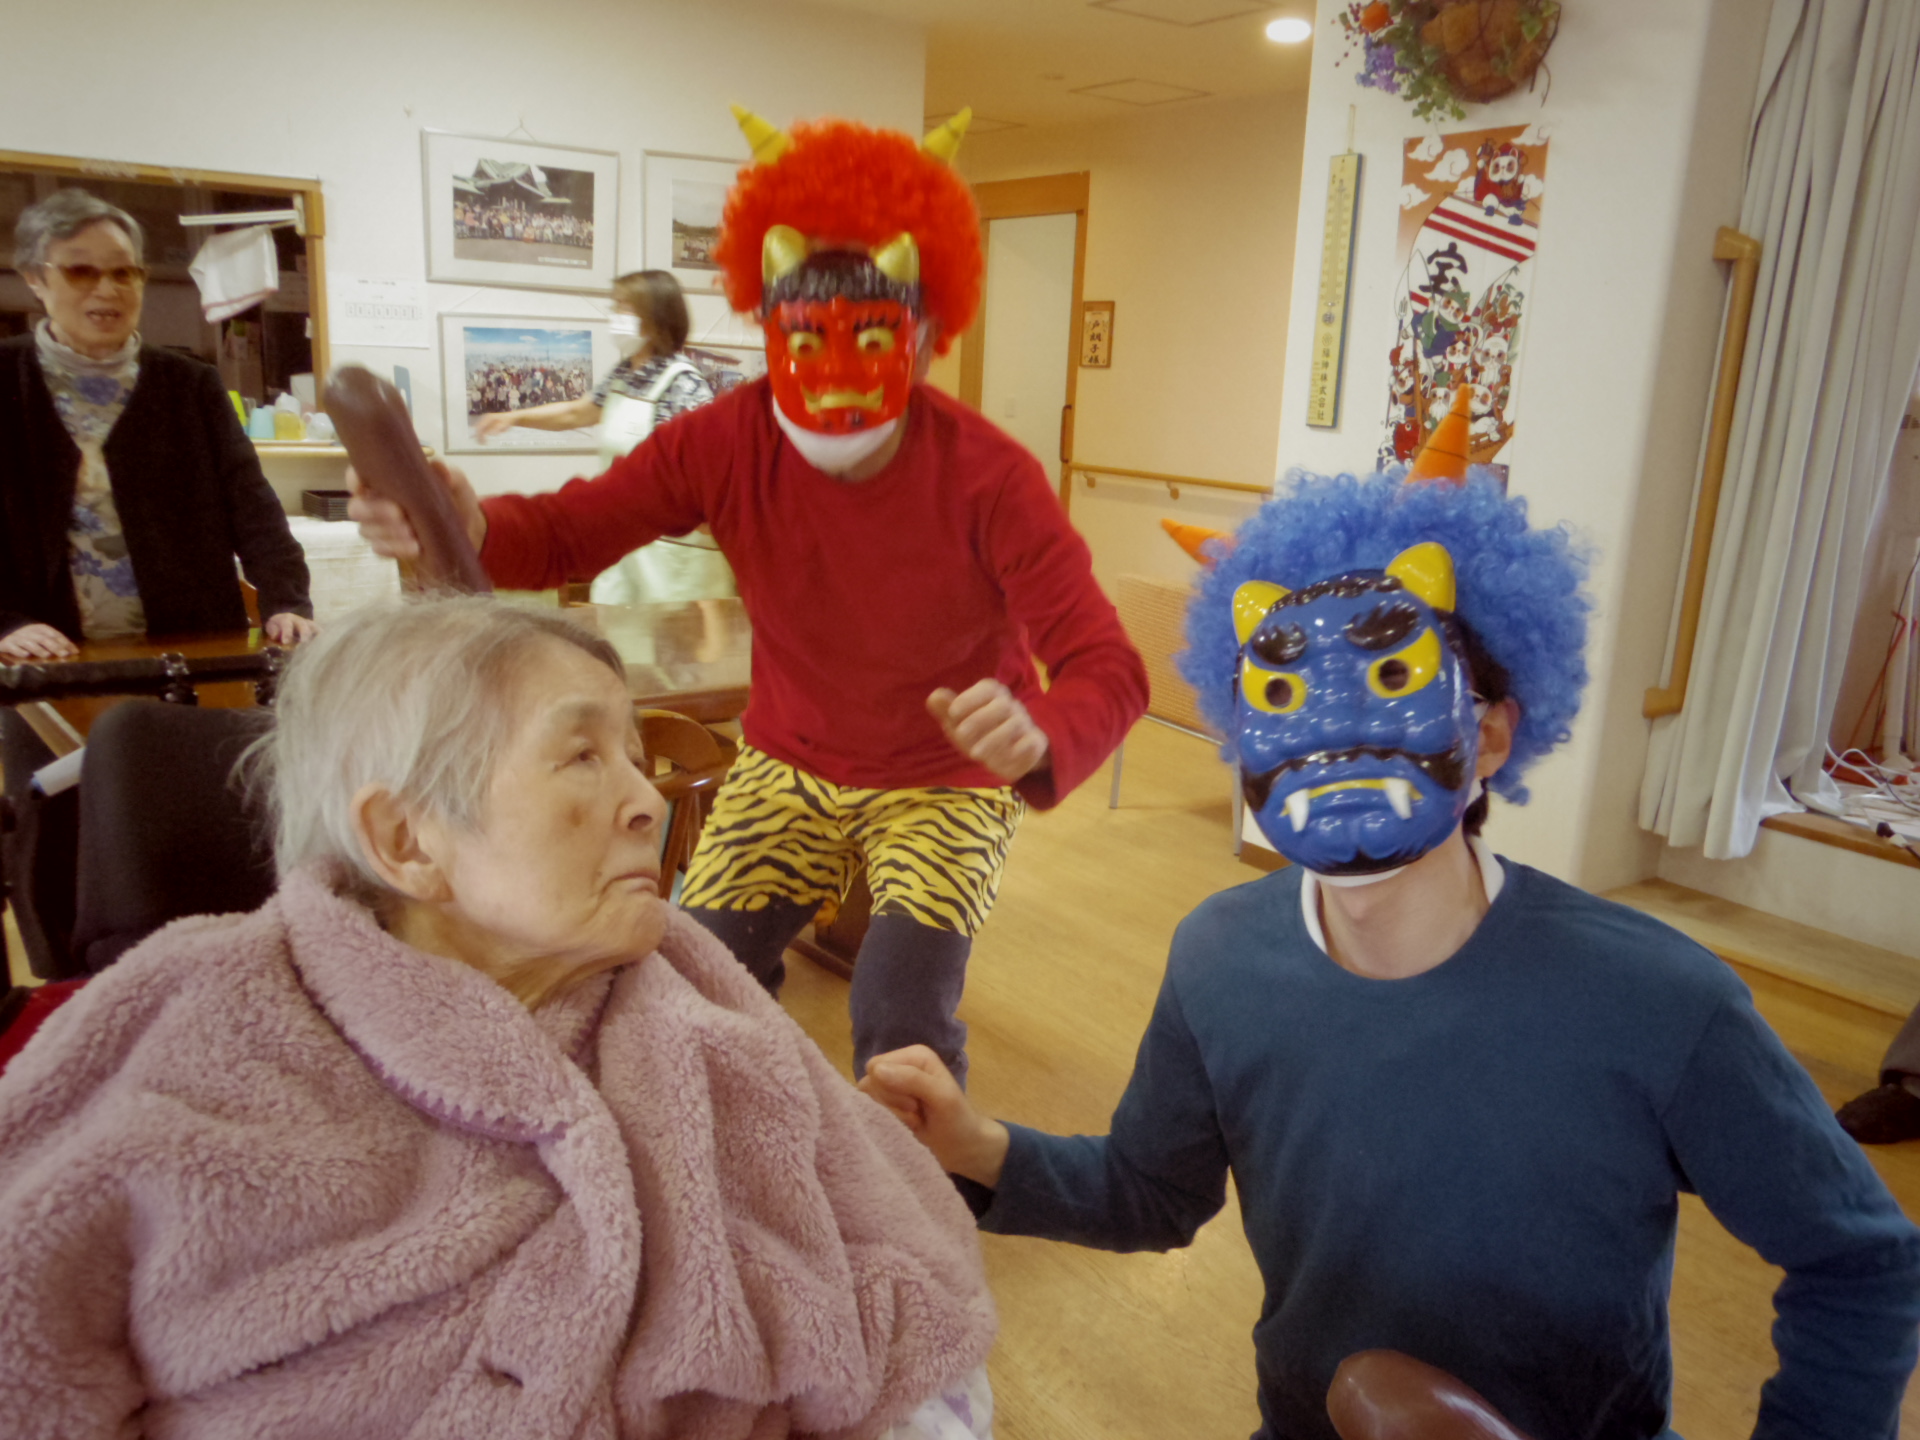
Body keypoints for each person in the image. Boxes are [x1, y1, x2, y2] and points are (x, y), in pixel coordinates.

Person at [861, 470, 1920, 1439]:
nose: (1333, 739)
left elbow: (1861, 1261)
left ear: (1491, 738)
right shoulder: (1220, 959)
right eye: (1283, 695)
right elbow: (1151, 1193)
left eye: (1390, 678)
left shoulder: (1659, 999)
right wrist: (978, 1146)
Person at [0, 596, 995, 1439]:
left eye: (636, 757)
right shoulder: (196, 1037)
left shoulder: (702, 1010)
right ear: (407, 840)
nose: (648, 801)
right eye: (582, 756)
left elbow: (918, 1302)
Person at [350, 108, 1148, 1087]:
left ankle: (917, 1174)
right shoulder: (727, 437)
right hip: (787, 758)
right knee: (692, 977)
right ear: (770, 330)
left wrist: (1041, 734)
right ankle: (718, 1139)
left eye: (872, 336)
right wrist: (468, 524)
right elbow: (571, 529)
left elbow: (1108, 666)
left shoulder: (991, 475)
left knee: (902, 1018)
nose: (836, 375)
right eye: (805, 338)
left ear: (925, 336)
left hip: (944, 782)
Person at [1, 188, 316, 973]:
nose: (108, 290)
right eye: (82, 271)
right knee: (62, 819)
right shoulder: (4, 382)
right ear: (36, 278)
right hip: (55, 662)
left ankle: (216, 967)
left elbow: (251, 504)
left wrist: (286, 600)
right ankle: (73, 981)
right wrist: (4, 622)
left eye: (126, 272)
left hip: (184, 653)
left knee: (193, 810)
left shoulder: (188, 384)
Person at [472, 269, 731, 605]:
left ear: (655, 317)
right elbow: (577, 412)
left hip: (672, 557)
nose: (615, 316)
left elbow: (701, 477)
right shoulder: (625, 373)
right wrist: (515, 416)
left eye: (625, 307)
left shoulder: (684, 384)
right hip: (626, 541)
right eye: (616, 306)